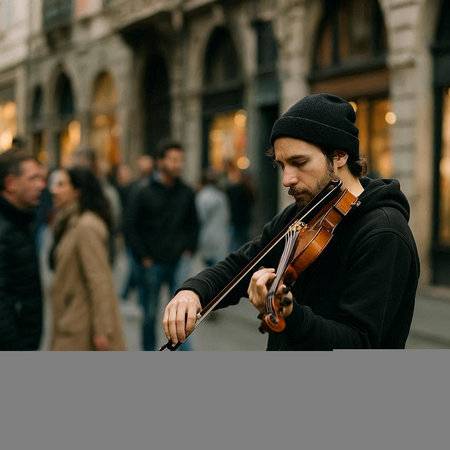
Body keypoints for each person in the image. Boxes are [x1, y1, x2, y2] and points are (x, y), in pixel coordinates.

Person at [163, 93, 420, 350]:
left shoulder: (384, 234)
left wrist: (290, 314)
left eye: (299, 162)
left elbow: (358, 342)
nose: (287, 179)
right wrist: (193, 291)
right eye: (281, 165)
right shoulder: (303, 213)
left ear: (340, 156)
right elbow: (242, 264)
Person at [125, 140, 199, 351]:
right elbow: (130, 226)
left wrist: (188, 250)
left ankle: (184, 352)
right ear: (160, 162)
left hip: (178, 261)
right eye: (173, 160)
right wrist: (143, 257)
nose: (178, 165)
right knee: (149, 313)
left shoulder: (186, 192)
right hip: (151, 263)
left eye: (180, 161)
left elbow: (193, 224)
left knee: (182, 314)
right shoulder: (143, 191)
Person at [49, 167, 126, 351]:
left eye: (61, 184)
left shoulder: (86, 226)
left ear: (77, 191)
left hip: (80, 325)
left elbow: (99, 280)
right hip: (73, 318)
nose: (54, 190)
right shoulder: (71, 221)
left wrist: (102, 330)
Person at [0, 149, 45, 350]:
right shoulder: (5, 229)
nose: (41, 185)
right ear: (11, 183)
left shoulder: (20, 221)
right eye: (33, 178)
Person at [196, 168, 230, 268]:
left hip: (206, 237)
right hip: (221, 237)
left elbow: (200, 218)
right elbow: (227, 217)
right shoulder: (221, 196)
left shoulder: (202, 196)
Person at [226, 164, 256, 251]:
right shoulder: (249, 189)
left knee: (234, 243)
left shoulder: (236, 189)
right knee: (243, 242)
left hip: (236, 219)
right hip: (244, 219)